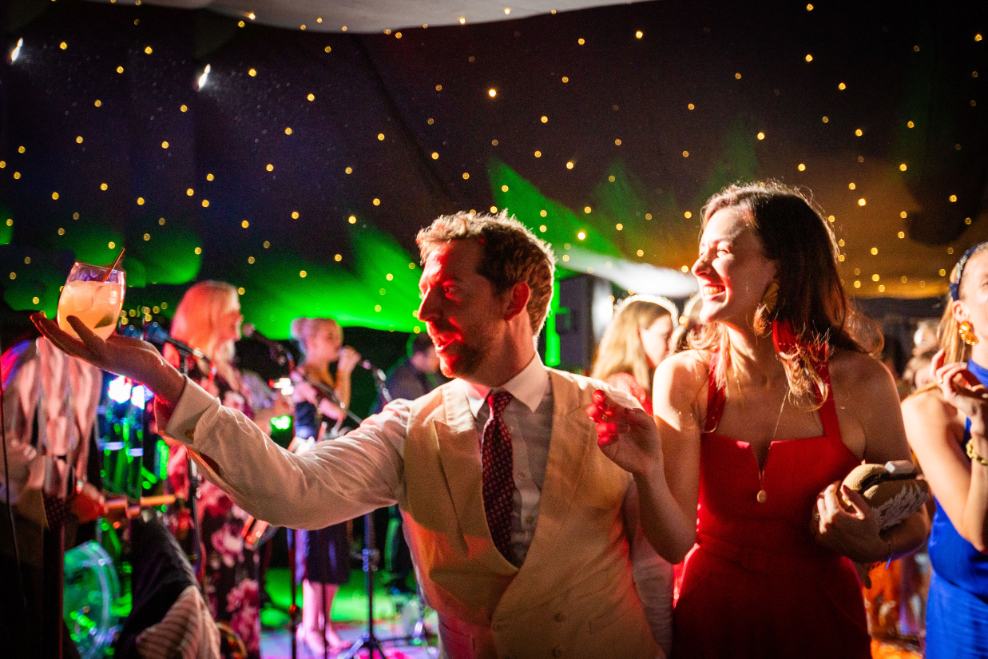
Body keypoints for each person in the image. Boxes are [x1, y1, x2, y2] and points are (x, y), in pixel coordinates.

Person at [33, 210, 675, 659]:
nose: (423, 312)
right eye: (423, 293)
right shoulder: (409, 428)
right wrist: (160, 376)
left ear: (514, 301)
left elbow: (652, 570)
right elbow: (292, 489)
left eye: (448, 291)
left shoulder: (609, 411)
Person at [649, 182, 928, 657]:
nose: (698, 267)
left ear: (783, 265)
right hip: (712, 615)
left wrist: (873, 545)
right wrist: (643, 467)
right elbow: (673, 543)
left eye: (721, 252)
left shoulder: (862, 381)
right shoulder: (684, 378)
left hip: (820, 618)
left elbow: (915, 519)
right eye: (701, 252)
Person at [162, 280, 285, 659]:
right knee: (213, 585)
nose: (240, 317)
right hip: (206, 494)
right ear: (210, 315)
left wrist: (270, 416)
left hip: (237, 492)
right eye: (232, 310)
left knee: (241, 583)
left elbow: (240, 428)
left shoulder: (227, 367)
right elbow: (172, 429)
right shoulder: (187, 364)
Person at [901, 243, 988, 659]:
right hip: (972, 618)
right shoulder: (931, 409)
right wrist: (983, 431)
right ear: (962, 313)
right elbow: (980, 534)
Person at [289, 316, 361, 653]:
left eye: (339, 336)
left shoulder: (327, 377)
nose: (338, 343)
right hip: (308, 469)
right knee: (314, 551)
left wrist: (341, 374)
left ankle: (326, 623)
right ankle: (309, 626)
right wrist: (345, 372)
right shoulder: (301, 375)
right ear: (311, 342)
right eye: (330, 337)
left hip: (331, 469)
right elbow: (337, 412)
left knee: (334, 550)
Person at [369, 332, 447, 595]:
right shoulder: (401, 380)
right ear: (421, 355)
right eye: (435, 354)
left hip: (417, 456)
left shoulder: (426, 376)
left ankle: (411, 577)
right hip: (400, 456)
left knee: (413, 518)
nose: (439, 360)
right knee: (401, 517)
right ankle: (395, 578)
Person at [591, 295, 677, 415]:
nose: (671, 345)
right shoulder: (622, 384)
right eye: (665, 336)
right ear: (638, 333)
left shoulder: (642, 382)